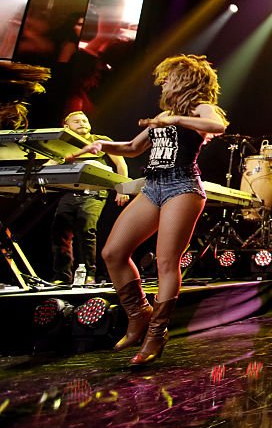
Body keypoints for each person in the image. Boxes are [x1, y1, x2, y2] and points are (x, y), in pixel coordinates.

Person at [66, 54, 228, 364]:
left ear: (185, 80)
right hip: (153, 186)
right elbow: (132, 148)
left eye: (168, 77)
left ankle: (156, 334)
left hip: (182, 187)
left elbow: (217, 126)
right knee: (112, 252)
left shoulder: (199, 109)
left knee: (167, 261)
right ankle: (139, 313)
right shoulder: (165, 114)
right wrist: (101, 145)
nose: (163, 82)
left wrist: (177, 120)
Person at [51, 111, 130, 284]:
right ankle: (62, 276)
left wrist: (122, 188)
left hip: (94, 192)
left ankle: (90, 274)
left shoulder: (100, 140)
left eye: (85, 120)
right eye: (77, 121)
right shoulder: (64, 143)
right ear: (66, 127)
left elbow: (120, 163)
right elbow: (52, 162)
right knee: (60, 232)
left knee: (86, 230)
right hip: (70, 192)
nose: (82, 123)